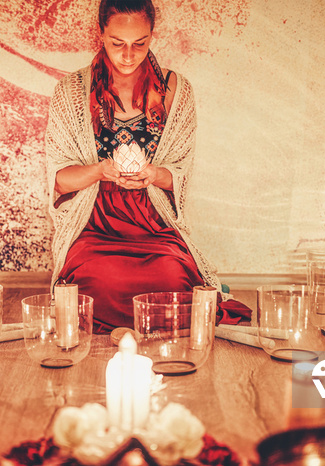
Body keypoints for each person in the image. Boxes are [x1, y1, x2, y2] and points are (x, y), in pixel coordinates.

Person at [45, 0, 250, 332]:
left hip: (153, 225)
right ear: (100, 33)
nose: (128, 54)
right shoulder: (70, 92)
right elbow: (60, 181)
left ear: (153, 35)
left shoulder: (175, 91)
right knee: (96, 283)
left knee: (172, 277)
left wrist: (154, 174)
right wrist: (99, 170)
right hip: (95, 228)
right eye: (117, 43)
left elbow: (181, 174)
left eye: (140, 43)